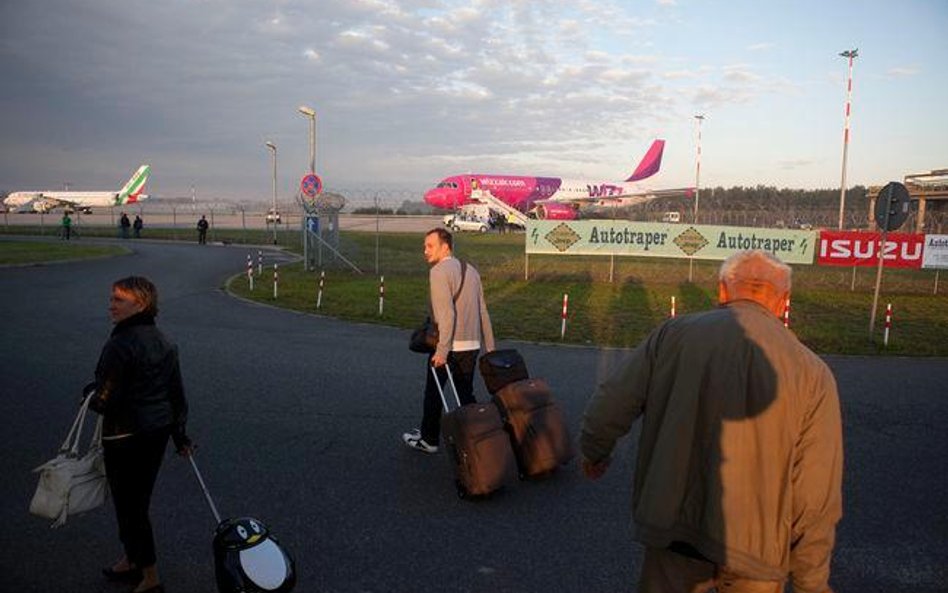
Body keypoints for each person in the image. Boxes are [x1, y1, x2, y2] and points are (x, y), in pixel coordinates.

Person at [580, 250, 843, 593]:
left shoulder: (671, 336)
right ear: (783, 302)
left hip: (674, 529)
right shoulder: (813, 372)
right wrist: (812, 582)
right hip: (757, 550)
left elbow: (611, 404)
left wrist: (594, 451)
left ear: (722, 290)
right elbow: (816, 492)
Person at [88, 276, 192, 593]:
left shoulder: (120, 344)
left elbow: (104, 400)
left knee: (130, 505)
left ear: (141, 304)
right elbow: (176, 395)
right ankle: (132, 558)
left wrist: (87, 395)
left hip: (126, 435)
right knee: (135, 501)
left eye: (119, 299)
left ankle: (149, 576)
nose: (111, 305)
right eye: (112, 298)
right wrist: (180, 437)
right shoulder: (164, 341)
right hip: (156, 432)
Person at [403, 228, 495, 453]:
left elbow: (447, 315)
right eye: (424, 246)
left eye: (430, 246)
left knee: (434, 392)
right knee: (465, 394)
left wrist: (442, 351)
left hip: (449, 345)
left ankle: (429, 439)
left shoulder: (438, 272)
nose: (425, 251)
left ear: (446, 247)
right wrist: (490, 347)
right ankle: (481, 439)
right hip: (471, 345)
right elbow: (483, 310)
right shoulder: (471, 270)